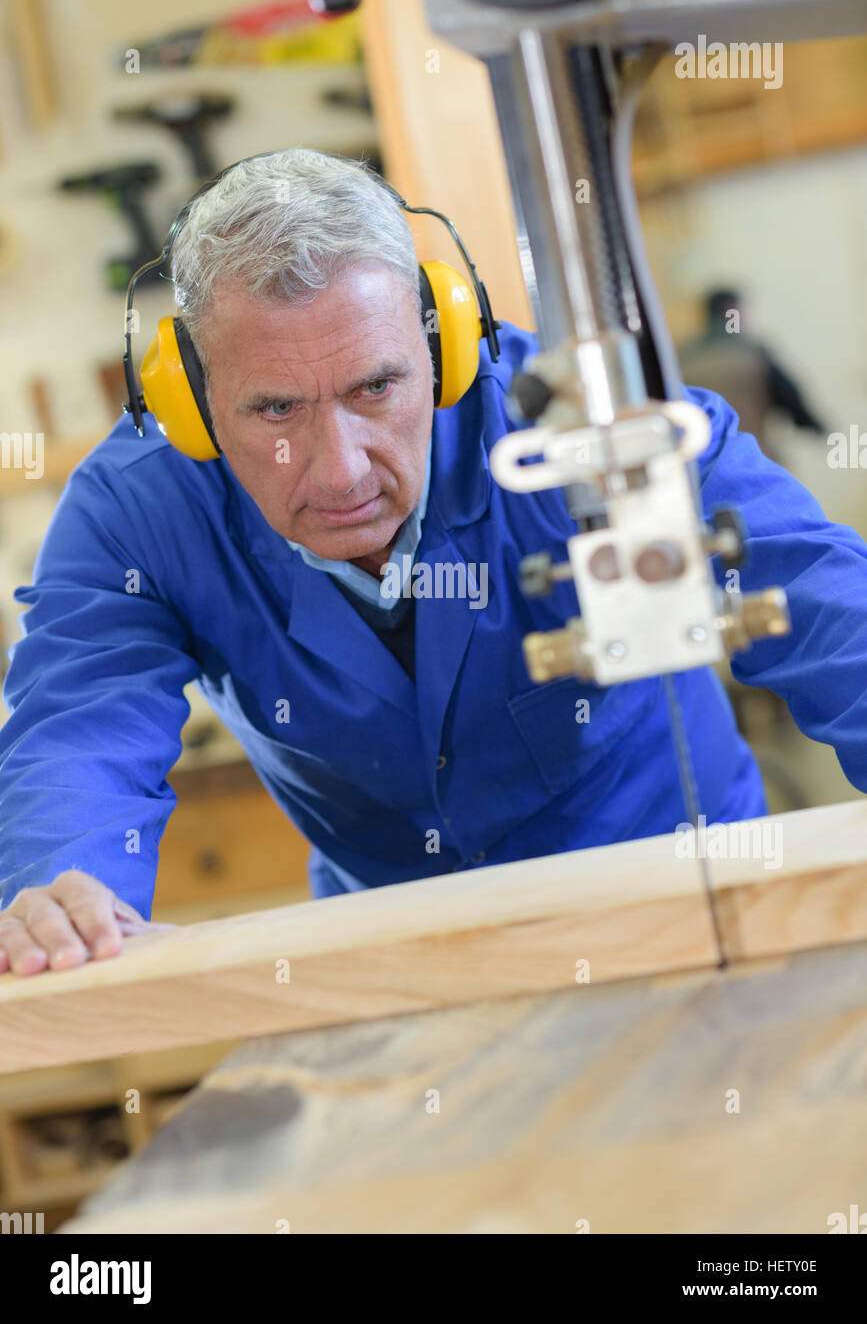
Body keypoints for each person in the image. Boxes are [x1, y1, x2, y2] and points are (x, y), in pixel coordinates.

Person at [1, 149, 865, 980]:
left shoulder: (584, 427)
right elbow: (79, 729)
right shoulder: (135, 513)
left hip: (685, 899)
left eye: (376, 388)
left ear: (443, 346)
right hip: (397, 958)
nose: (339, 468)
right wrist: (63, 895)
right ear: (191, 399)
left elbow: (820, 600)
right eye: (273, 409)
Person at [678, 287, 827, 464]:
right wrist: (816, 427)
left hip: (701, 469)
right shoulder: (753, 353)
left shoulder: (683, 359)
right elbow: (791, 399)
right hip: (755, 462)